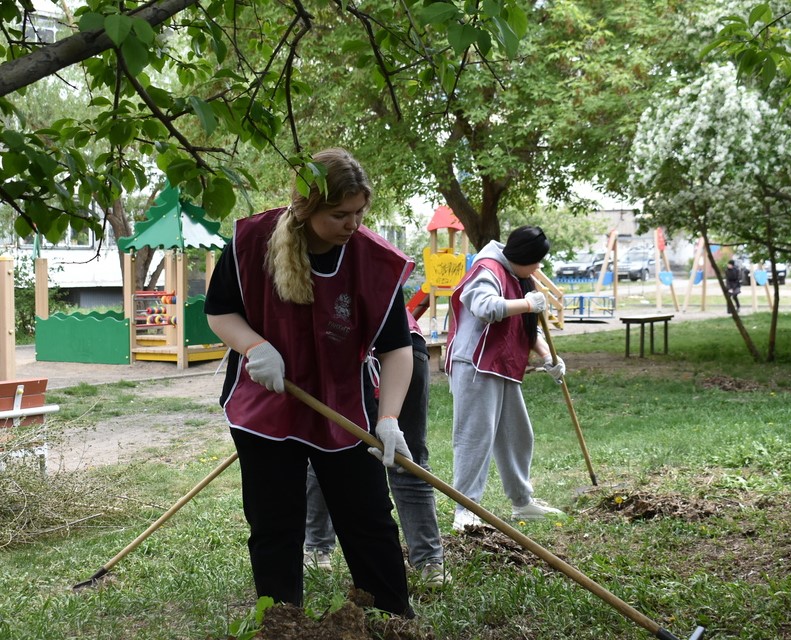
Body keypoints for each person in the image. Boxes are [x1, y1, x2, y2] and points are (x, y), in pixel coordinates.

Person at [204, 147, 416, 616]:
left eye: (360, 213)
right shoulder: (250, 242)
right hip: (265, 405)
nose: (353, 225)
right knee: (274, 523)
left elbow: (397, 347)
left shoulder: (373, 262)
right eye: (340, 214)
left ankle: (392, 622)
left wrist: (389, 419)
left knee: (369, 520)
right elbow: (220, 311)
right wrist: (254, 347)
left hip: (344, 409)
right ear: (306, 208)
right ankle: (280, 627)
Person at [304, 311, 450, 588]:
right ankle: (430, 562)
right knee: (405, 457)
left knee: (333, 451)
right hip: (396, 346)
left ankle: (316, 550)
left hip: (382, 351)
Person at [444, 225, 566, 531]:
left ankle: (522, 502)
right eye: (537, 260)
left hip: (503, 364)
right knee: (475, 437)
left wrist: (548, 357)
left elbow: (527, 327)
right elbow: (485, 307)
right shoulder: (488, 269)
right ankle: (466, 509)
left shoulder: (520, 277)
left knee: (517, 434)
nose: (540, 266)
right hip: (475, 364)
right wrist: (527, 303)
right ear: (522, 256)